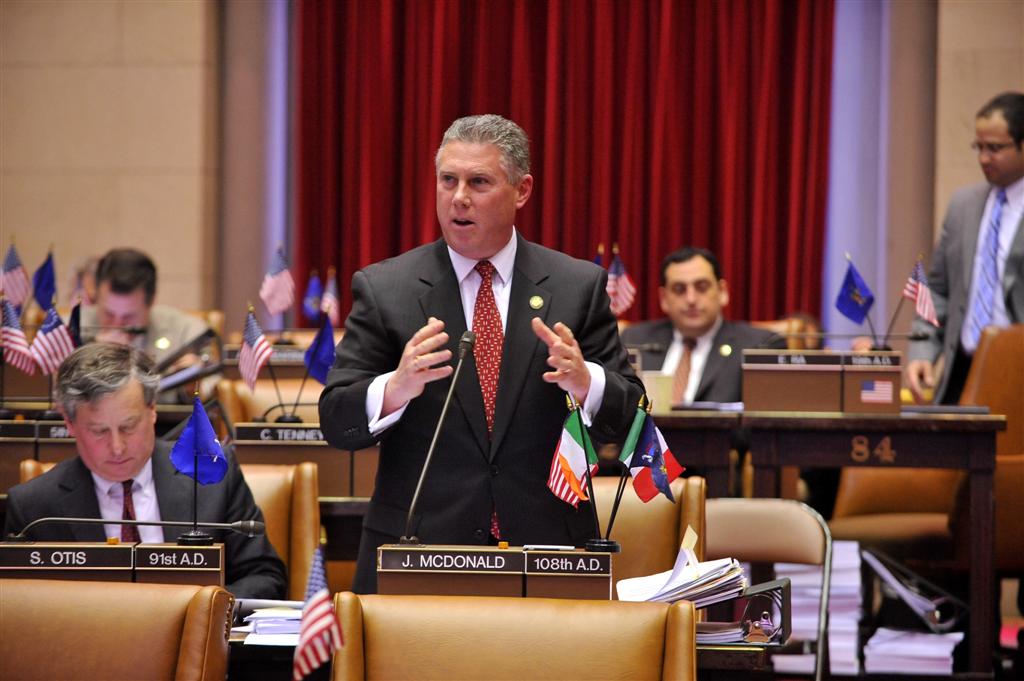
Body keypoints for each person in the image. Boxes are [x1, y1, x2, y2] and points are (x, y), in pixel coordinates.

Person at [319, 114, 643, 593]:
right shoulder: (387, 288)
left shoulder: (577, 287)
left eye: (479, 182)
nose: (459, 197)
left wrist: (586, 381)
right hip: (420, 552)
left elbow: (631, 418)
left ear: (522, 190)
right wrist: (395, 387)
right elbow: (336, 420)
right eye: (448, 180)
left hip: (545, 552)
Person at [4, 343, 287, 599]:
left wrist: (202, 615)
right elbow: (22, 607)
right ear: (69, 423)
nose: (117, 447)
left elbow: (265, 577)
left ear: (152, 410)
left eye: (128, 426)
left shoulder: (210, 476)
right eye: (99, 431)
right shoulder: (35, 508)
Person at [906, 92, 1024, 404]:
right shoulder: (963, 205)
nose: (983, 158)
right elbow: (937, 290)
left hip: (1017, 374)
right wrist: (922, 350)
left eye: (995, 148)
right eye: (979, 147)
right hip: (962, 374)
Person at [620, 246, 785, 406]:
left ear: (722, 292)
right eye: (679, 289)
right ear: (664, 298)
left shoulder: (758, 346)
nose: (691, 299)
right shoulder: (633, 340)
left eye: (702, 287)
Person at [81, 248, 212, 375]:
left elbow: (210, 391)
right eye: (108, 314)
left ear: (151, 302)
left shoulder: (186, 333)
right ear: (96, 297)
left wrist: (193, 388)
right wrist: (91, 357)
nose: (118, 325)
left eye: (128, 317)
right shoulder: (68, 330)